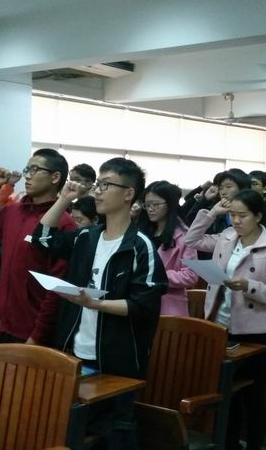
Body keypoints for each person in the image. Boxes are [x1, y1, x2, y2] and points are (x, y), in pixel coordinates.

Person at [32, 157, 167, 449]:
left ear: (128, 193)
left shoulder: (139, 245)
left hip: (117, 360)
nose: (98, 191)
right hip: (76, 350)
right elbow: (41, 239)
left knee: (117, 431)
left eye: (106, 185)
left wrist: (96, 304)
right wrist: (64, 199)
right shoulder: (87, 236)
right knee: (75, 429)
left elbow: (143, 306)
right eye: (98, 185)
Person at [185, 189, 266, 450]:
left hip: (253, 332)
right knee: (226, 393)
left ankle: (254, 445)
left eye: (243, 215)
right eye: (232, 215)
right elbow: (192, 239)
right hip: (220, 325)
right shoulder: (227, 236)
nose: (236, 221)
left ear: (258, 216)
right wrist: (212, 213)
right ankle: (229, 444)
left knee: (253, 396)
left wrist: (248, 286)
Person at [0, 148, 76, 344]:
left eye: (35, 170)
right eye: (27, 169)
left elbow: (58, 285)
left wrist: (38, 334)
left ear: (55, 177)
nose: (27, 176)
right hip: (6, 321)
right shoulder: (14, 211)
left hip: (35, 330)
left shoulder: (63, 222)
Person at [137, 180, 198, 315]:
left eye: (155, 204)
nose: (150, 209)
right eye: (147, 205)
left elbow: (191, 275)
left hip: (169, 305)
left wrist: (157, 275)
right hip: (140, 301)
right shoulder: (142, 232)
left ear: (170, 204)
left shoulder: (184, 236)